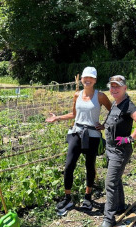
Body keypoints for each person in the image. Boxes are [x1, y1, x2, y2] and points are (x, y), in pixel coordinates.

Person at [46, 67, 112, 215]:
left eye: (91, 78)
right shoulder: (77, 95)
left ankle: (88, 197)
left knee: (90, 166)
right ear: (81, 79)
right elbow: (74, 115)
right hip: (76, 132)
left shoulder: (100, 96)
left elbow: (112, 111)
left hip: (93, 135)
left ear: (95, 80)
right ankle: (67, 197)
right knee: (69, 165)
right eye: (85, 77)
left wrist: (105, 124)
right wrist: (58, 117)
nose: (87, 80)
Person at [100, 75, 136, 227]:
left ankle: (109, 218)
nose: (114, 89)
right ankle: (120, 206)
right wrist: (102, 126)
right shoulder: (116, 103)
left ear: (125, 88)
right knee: (117, 178)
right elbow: (114, 123)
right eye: (112, 86)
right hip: (110, 148)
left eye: (117, 86)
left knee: (110, 182)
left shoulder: (128, 105)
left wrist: (130, 139)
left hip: (120, 151)